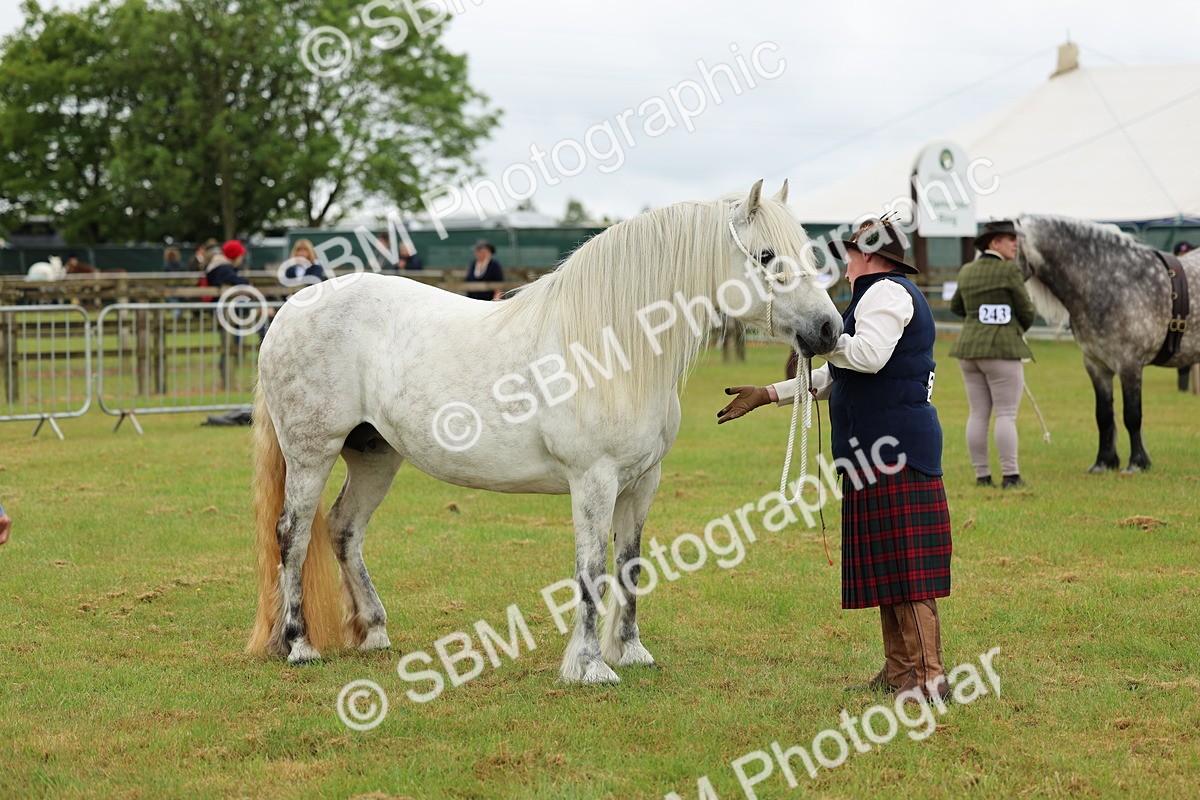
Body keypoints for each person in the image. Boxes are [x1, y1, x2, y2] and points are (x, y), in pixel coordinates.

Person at [717, 217, 952, 703]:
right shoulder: (875, 295)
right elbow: (838, 377)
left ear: (866, 255)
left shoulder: (887, 292)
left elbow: (866, 357)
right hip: (876, 452)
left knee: (906, 568)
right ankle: (900, 671)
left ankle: (929, 679)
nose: (845, 267)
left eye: (849, 255)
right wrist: (767, 393)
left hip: (896, 449)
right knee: (890, 565)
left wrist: (824, 336)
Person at [949, 221, 1037, 489]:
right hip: (1001, 350)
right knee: (1006, 414)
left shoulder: (966, 271)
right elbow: (1028, 311)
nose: (1015, 243)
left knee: (977, 414)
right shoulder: (1010, 271)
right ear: (993, 243)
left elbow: (956, 307)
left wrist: (978, 319)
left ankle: (982, 475)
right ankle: (1010, 475)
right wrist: (1013, 325)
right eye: (1009, 239)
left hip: (969, 349)